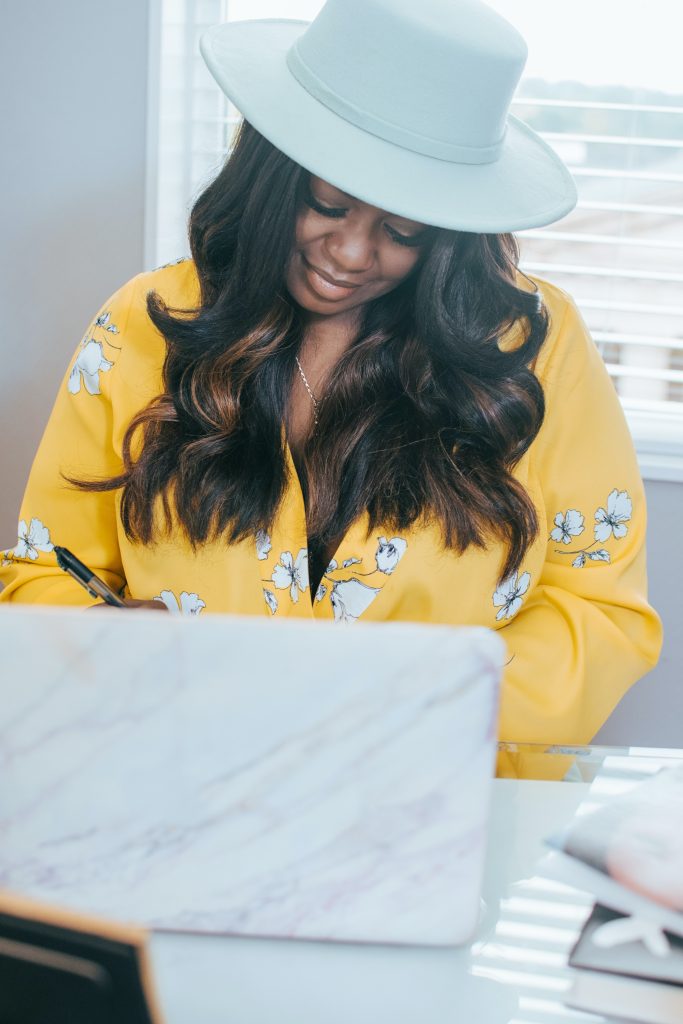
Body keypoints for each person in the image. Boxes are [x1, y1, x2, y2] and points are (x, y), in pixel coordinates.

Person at [0, 0, 662, 771]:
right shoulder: (148, 324)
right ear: (273, 175)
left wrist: (406, 715)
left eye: (403, 231)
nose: (349, 252)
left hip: (426, 808)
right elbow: (45, 574)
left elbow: (597, 611)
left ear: (450, 231)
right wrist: (108, 644)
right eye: (326, 204)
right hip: (172, 786)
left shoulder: (530, 347)